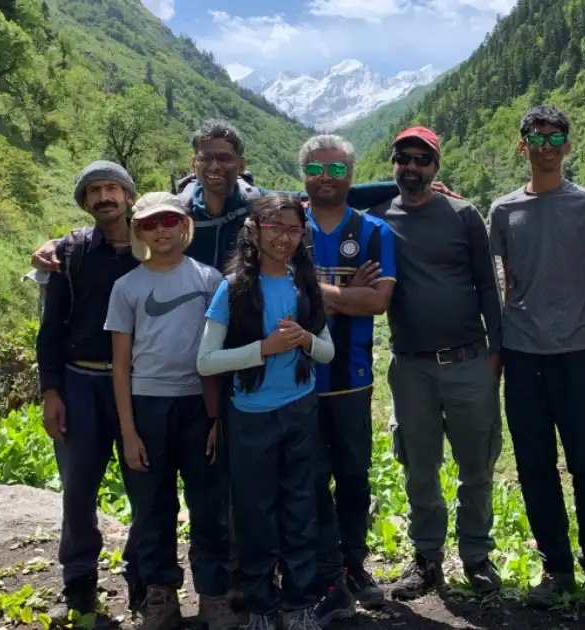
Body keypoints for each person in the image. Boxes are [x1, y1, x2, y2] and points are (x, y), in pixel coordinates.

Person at [487, 106, 585, 610]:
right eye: (536, 137)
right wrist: (499, 353)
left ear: (568, 144)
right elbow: (509, 286)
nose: (546, 145)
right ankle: (556, 568)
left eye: (556, 137)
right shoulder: (503, 211)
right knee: (533, 466)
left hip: (576, 353)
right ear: (522, 145)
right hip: (523, 355)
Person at [28, 120, 458, 273]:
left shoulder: (257, 204)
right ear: (194, 164)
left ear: (239, 163)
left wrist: (399, 185)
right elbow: (122, 224)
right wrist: (63, 244)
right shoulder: (175, 212)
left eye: (225, 159)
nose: (215, 167)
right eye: (206, 159)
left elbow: (321, 194)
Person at [366, 127, 504, 601]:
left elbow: (488, 286)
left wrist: (496, 354)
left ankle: (476, 556)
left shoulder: (464, 215)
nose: (412, 167)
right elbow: (322, 200)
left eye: (421, 160)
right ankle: (426, 558)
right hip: (411, 366)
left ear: (436, 167)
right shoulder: (377, 221)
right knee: (418, 467)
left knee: (477, 467)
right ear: (393, 166)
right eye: (403, 159)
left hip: (469, 361)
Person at [196, 192, 336, 630]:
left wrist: (304, 341)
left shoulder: (304, 283)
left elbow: (327, 351)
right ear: (254, 231)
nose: (285, 237)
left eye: (294, 229)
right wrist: (265, 348)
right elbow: (206, 361)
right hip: (250, 414)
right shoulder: (233, 288)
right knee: (255, 512)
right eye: (274, 227)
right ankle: (261, 604)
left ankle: (299, 603)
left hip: (299, 409)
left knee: (300, 507)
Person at [104, 192, 233, 630]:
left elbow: (221, 352)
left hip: (199, 405)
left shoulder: (209, 279)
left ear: (184, 227)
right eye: (151, 223)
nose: (161, 230)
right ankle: (160, 596)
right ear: (139, 230)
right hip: (146, 407)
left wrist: (217, 418)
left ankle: (214, 595)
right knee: (153, 507)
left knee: (208, 503)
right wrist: (128, 430)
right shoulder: (127, 287)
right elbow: (120, 365)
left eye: (170, 221)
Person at [35, 161, 142, 625]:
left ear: (128, 195)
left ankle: (145, 584)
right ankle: (78, 589)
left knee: (146, 487)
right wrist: (50, 391)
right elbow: (49, 328)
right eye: (94, 191)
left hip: (140, 386)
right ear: (84, 202)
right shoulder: (70, 253)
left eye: (112, 188)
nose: (104, 197)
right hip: (79, 383)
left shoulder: (152, 245)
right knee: (78, 491)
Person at [297, 134, 397, 624]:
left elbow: (378, 302)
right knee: (310, 480)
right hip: (293, 378)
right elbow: (278, 294)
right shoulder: (286, 225)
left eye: (338, 170)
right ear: (303, 174)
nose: (327, 178)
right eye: (317, 169)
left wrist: (316, 290)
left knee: (353, 478)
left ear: (352, 176)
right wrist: (344, 291)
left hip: (352, 377)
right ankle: (326, 572)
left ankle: (354, 564)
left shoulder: (375, 231)